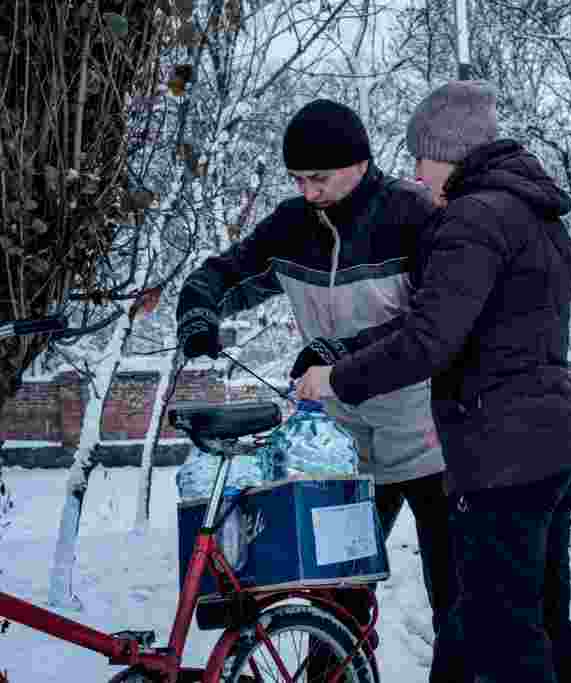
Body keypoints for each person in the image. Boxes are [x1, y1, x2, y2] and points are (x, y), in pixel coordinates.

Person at [294, 81, 571, 683]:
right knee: (542, 620)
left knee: (504, 637)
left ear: (447, 152)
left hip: (503, 459)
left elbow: (428, 341)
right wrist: (348, 350)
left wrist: (338, 379)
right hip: (555, 446)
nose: (415, 173)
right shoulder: (533, 213)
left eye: (419, 158)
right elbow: (447, 319)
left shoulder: (472, 217)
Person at [174, 99, 455, 650]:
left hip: (428, 439)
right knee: (332, 601)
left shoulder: (411, 215)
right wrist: (199, 309)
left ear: (358, 163)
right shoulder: (293, 226)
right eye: (297, 179)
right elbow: (224, 274)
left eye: (318, 178)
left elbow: (432, 328)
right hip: (340, 450)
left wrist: (338, 355)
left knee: (455, 597)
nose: (307, 191)